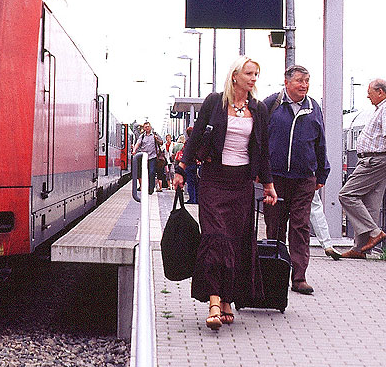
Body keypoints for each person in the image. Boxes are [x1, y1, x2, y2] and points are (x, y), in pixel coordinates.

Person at [173, 56, 278, 331]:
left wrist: (268, 185)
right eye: (249, 73)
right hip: (213, 180)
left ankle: (229, 298)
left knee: (236, 241)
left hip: (241, 183)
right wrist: (180, 168)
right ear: (235, 76)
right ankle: (214, 301)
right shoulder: (214, 102)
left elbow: (263, 150)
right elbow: (195, 138)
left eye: (256, 73)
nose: (254, 78)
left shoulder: (258, 109)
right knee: (215, 237)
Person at [262, 64, 331, 295]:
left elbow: (320, 141)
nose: (304, 85)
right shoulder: (271, 104)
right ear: (287, 82)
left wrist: (322, 172)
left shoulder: (314, 108)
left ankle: (299, 277)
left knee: (300, 226)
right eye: (299, 81)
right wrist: (261, 174)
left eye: (307, 81)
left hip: (304, 178)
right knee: (275, 225)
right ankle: (273, 273)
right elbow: (259, 140)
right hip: (275, 178)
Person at [338, 78, 386, 259]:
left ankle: (374, 232)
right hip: (376, 160)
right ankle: (360, 249)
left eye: (369, 93)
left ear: (380, 92)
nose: (367, 96)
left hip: (376, 161)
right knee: (370, 205)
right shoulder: (383, 108)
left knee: (347, 194)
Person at [310, 189, 341, 260]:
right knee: (316, 209)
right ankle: (327, 245)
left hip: (282, 180)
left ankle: (282, 247)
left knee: (284, 208)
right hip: (305, 180)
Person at [131, 121, 161, 194]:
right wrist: (134, 150)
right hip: (144, 157)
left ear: (150, 127)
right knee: (144, 173)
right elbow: (138, 143)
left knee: (151, 172)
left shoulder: (155, 134)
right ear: (144, 128)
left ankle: (151, 188)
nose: (147, 128)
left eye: (148, 126)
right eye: (145, 127)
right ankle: (145, 187)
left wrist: (157, 139)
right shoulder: (142, 136)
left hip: (152, 157)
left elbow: (161, 142)